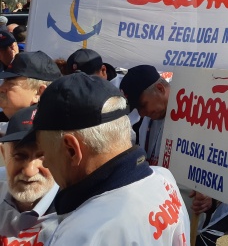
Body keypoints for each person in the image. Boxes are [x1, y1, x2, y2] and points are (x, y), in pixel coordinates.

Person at [32, 72, 190, 244]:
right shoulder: (164, 179)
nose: (45, 162)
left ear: (71, 150)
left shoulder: (83, 235)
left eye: (43, 153)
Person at [120, 65, 228, 243]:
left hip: (198, 224)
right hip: (163, 222)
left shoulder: (201, 109)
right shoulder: (145, 123)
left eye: (143, 105)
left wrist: (212, 196)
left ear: (160, 89)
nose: (143, 113)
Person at [0, 105, 59, 243]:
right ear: (4, 153)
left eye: (42, 157)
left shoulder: (76, 211)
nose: (29, 171)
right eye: (20, 155)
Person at [0, 51, 61, 121]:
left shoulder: (55, 129)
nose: (1, 88)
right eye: (4, 82)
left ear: (39, 92)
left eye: (11, 84)